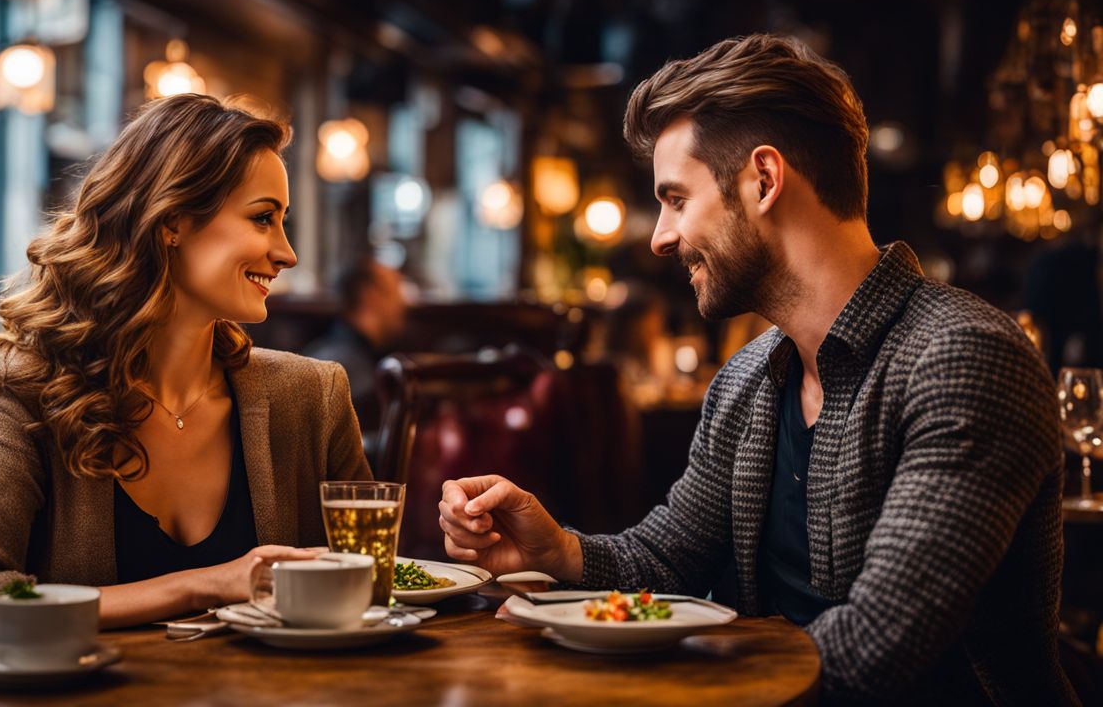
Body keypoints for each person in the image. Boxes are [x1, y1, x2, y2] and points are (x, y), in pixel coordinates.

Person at [438, 35, 1077, 704]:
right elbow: (667, 560)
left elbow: (878, 646)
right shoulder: (747, 380)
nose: (660, 236)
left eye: (677, 199)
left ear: (764, 180)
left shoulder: (965, 357)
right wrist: (559, 554)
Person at [0, 95, 371, 633]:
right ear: (171, 221)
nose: (286, 252)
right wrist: (203, 585)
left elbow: (377, 581)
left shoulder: (313, 395)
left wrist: (476, 546)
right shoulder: (36, 388)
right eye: (263, 219)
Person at [302, 256, 408, 432]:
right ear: (370, 296)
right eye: (396, 292)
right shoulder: (341, 367)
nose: (404, 303)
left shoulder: (336, 355)